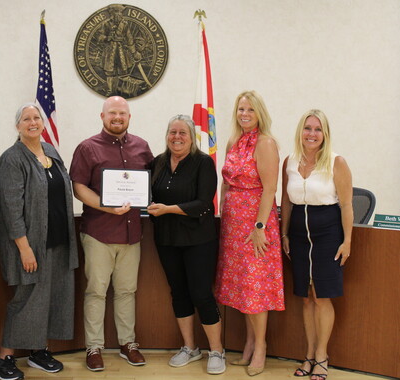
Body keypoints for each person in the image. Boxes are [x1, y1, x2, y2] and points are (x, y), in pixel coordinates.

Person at [0, 103, 79, 380]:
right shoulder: (12, 159)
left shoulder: (51, 152)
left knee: (51, 296)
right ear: (17, 126)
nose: (32, 122)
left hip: (57, 239)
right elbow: (11, 208)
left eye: (36, 118)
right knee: (26, 299)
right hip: (28, 245)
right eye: (26, 119)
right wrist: (25, 248)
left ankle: (38, 351)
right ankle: (3, 358)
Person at [69, 96, 153, 372]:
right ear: (102, 116)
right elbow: (78, 186)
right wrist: (107, 206)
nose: (118, 117)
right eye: (112, 113)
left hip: (132, 235)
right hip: (98, 234)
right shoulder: (88, 147)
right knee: (96, 291)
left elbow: (150, 183)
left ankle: (128, 343)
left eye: (123, 113)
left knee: (127, 291)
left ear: (129, 117)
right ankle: (94, 347)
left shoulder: (142, 147)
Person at [147, 115, 226, 375]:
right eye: (172, 132)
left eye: (183, 133)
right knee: (178, 292)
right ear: (166, 135)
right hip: (167, 239)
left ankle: (216, 350)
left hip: (198, 241)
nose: (177, 137)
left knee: (201, 294)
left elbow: (204, 204)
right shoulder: (157, 163)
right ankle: (190, 348)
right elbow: (142, 193)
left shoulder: (203, 163)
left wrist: (168, 209)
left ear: (192, 137)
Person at [215, 90, 285, 377]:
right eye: (241, 109)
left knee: (256, 287)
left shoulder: (266, 143)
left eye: (250, 110)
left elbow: (269, 188)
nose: (244, 114)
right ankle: (247, 344)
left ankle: (261, 347)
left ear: (259, 114)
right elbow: (226, 182)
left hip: (256, 224)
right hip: (232, 224)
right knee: (243, 287)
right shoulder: (233, 140)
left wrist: (259, 227)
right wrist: (221, 215)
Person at [280, 109, 353, 380]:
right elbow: (286, 201)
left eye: (317, 129)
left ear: (325, 135)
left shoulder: (336, 162)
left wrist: (347, 241)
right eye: (308, 128)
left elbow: (346, 205)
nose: (312, 134)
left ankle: (322, 357)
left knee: (321, 297)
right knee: (306, 298)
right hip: (298, 234)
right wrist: (284, 233)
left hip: (328, 232)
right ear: (300, 131)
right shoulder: (289, 161)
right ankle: (308, 355)